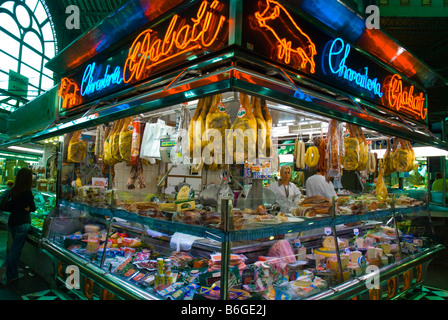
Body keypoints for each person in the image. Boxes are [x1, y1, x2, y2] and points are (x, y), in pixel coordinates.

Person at [0, 168, 36, 286]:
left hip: (13, 222)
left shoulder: (13, 190)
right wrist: (26, 208)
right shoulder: (27, 192)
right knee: (16, 250)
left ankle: (11, 271)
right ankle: (9, 272)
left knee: (15, 248)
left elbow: (9, 207)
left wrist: (21, 208)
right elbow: (33, 208)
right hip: (23, 223)